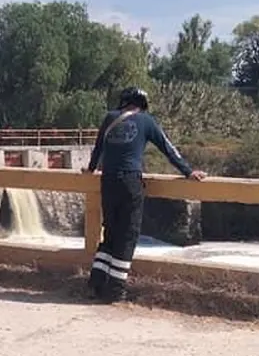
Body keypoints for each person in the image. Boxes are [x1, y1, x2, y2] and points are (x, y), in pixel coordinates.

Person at [86, 86, 207, 302]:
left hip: (108, 181)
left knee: (111, 231)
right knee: (128, 233)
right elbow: (168, 148)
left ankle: (96, 283)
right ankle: (115, 290)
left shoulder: (109, 118)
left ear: (123, 103)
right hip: (130, 181)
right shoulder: (147, 121)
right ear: (143, 104)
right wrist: (188, 171)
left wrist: (91, 169)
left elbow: (98, 149)